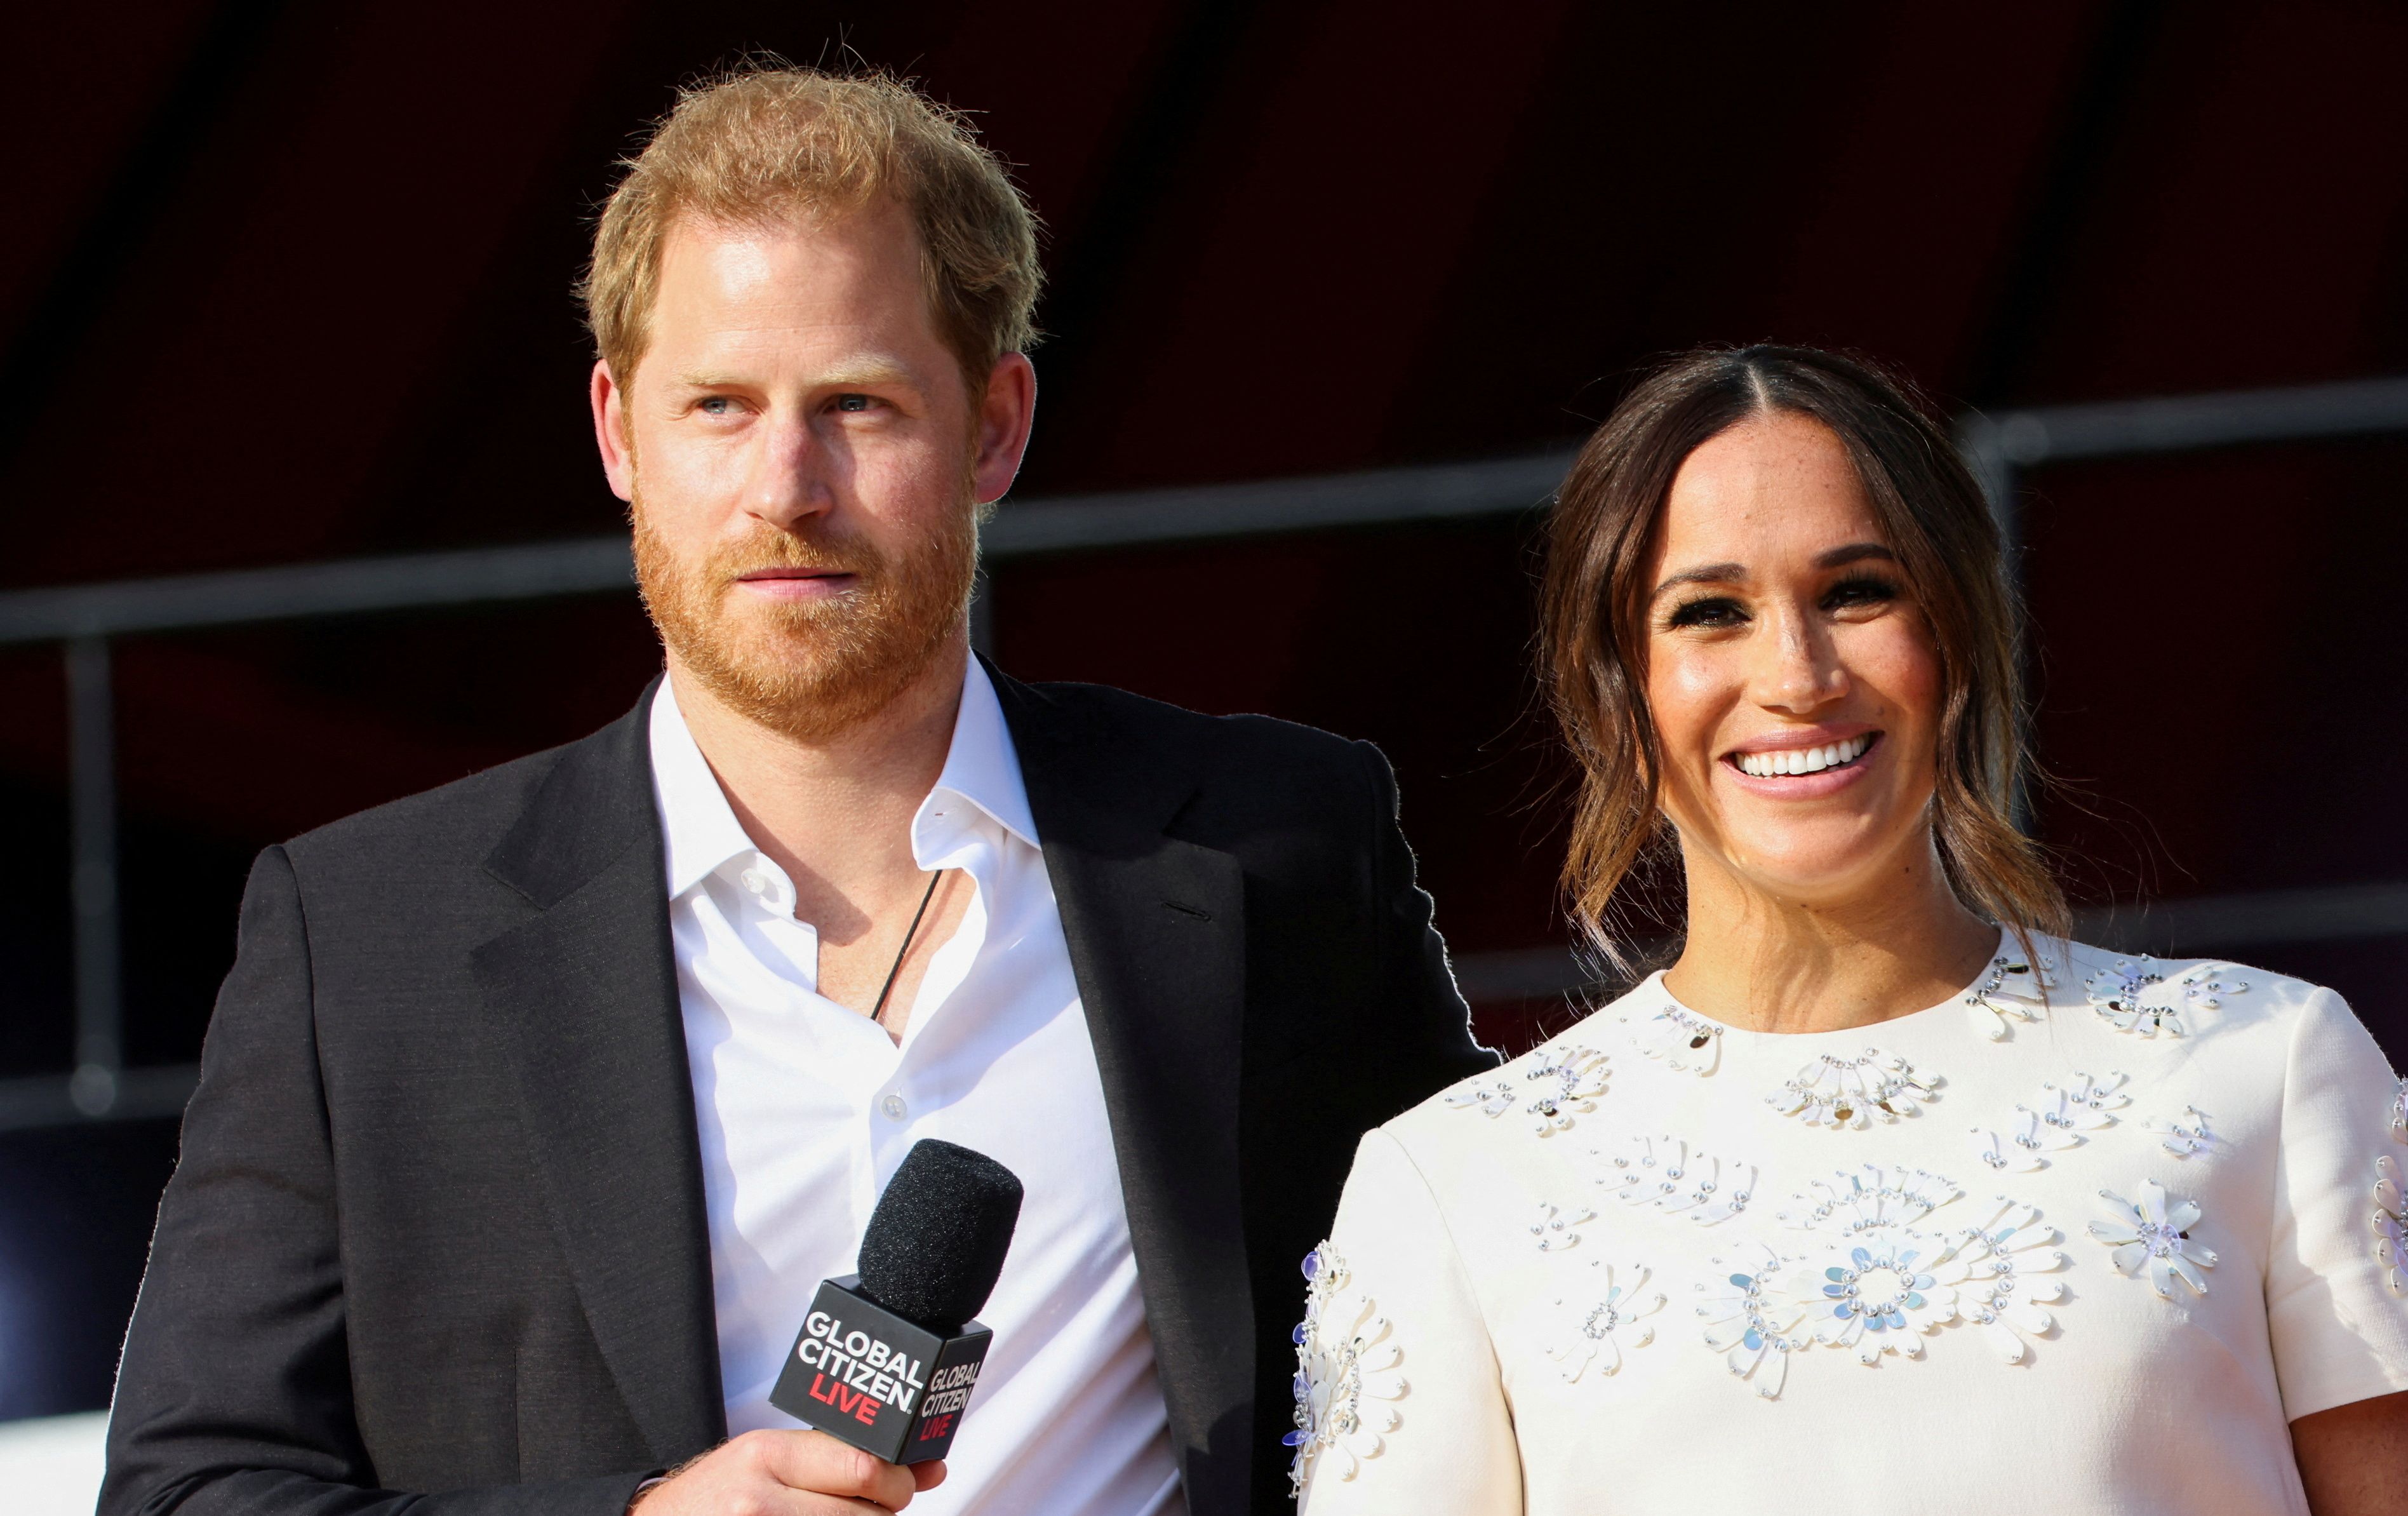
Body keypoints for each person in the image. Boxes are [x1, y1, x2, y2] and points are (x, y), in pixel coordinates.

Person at [100, 67, 1491, 1516]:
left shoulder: (1278, 845)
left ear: (997, 429)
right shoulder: (364, 946)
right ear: (620, 432)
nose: (787, 485)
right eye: (717, 404)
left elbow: (1503, 1314)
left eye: (858, 404)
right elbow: (185, 1495)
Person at [1288, 345, 2408, 1516]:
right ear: (1613, 693)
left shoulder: (2265, 1068)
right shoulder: (1452, 1185)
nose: (1799, 674)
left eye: (1856, 592)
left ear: (1958, 640)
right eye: (1710, 612)